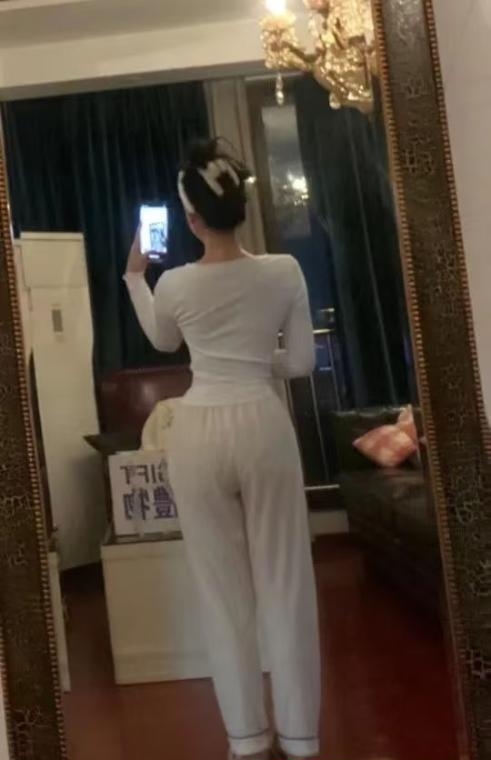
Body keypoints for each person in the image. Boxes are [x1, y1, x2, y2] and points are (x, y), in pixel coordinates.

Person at [124, 139, 321, 760]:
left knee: (222, 593)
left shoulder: (174, 283)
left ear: (190, 219)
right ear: (241, 205)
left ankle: (246, 739)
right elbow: (300, 362)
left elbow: (162, 341)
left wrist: (134, 274)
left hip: (199, 430)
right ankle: (301, 738)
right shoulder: (284, 270)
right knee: (285, 583)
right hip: (263, 423)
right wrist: (252, 362)